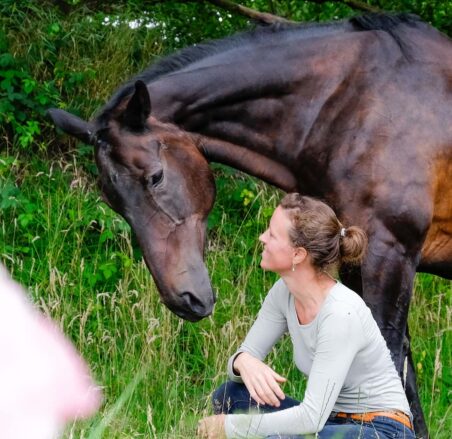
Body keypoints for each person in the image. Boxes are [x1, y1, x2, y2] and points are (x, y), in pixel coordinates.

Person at [197, 193, 415, 439]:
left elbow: (311, 417)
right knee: (229, 395)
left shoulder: (341, 312)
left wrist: (229, 428)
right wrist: (242, 361)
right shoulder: (284, 292)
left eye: (272, 234)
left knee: (281, 437)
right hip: (330, 423)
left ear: (298, 255)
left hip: (381, 429)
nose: (262, 238)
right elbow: (244, 357)